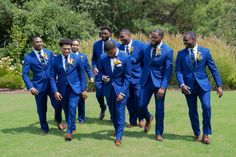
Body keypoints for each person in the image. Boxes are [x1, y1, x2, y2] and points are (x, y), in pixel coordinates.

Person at [175, 31, 223, 144]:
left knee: (207, 107)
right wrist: (182, 84)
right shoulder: (181, 54)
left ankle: (206, 134)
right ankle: (197, 133)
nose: (184, 42)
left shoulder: (205, 52)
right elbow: (178, 71)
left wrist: (219, 85)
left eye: (186, 40)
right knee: (192, 111)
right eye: (183, 40)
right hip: (188, 87)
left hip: (203, 86)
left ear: (194, 39)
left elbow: (213, 69)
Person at [133, 29, 173, 141]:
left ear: (161, 37)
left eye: (155, 37)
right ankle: (148, 117)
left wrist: (163, 87)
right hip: (145, 82)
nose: (152, 39)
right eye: (152, 37)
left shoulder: (168, 51)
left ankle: (159, 133)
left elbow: (168, 71)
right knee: (140, 105)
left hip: (159, 84)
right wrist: (122, 57)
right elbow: (137, 60)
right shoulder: (145, 47)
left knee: (159, 109)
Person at [22, 36, 66, 134]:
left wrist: (59, 75)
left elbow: (55, 66)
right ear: (33, 44)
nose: (40, 43)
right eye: (37, 42)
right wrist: (30, 87)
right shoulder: (28, 57)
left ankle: (58, 121)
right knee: (42, 109)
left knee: (58, 104)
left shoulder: (49, 53)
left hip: (52, 84)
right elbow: (24, 74)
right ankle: (44, 127)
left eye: (41, 41)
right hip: (38, 87)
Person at [50, 39, 87, 141]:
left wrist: (83, 89)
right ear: (61, 48)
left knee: (72, 107)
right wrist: (55, 91)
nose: (67, 51)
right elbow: (52, 76)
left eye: (69, 49)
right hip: (61, 89)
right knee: (66, 109)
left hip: (74, 89)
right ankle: (72, 126)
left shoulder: (77, 58)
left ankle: (69, 132)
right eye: (65, 49)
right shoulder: (55, 60)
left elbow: (82, 74)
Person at [99, 40, 131, 146]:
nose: (108, 55)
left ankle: (119, 137)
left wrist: (122, 92)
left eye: (110, 53)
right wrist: (103, 77)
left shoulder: (125, 57)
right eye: (107, 53)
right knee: (113, 113)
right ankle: (117, 130)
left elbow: (127, 77)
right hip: (108, 90)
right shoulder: (103, 57)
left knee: (120, 113)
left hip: (121, 90)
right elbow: (100, 72)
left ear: (114, 49)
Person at [91, 26, 120, 120]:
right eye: (101, 33)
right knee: (99, 94)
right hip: (99, 74)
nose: (103, 35)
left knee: (110, 95)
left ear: (110, 34)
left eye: (105, 33)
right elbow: (94, 59)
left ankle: (113, 114)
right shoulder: (96, 45)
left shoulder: (117, 44)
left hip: (112, 74)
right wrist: (94, 67)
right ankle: (103, 107)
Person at [118, 29, 145, 128]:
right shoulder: (119, 47)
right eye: (120, 37)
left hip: (137, 77)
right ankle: (132, 121)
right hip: (125, 79)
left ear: (129, 35)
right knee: (129, 100)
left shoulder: (140, 45)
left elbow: (142, 60)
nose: (121, 39)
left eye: (123, 36)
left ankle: (141, 118)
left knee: (138, 98)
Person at [71, 38, 93, 124]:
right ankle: (70, 119)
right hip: (70, 82)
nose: (75, 46)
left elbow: (87, 67)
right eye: (73, 44)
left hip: (80, 82)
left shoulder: (83, 56)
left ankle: (81, 118)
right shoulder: (67, 55)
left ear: (79, 46)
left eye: (76, 45)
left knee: (81, 101)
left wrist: (91, 76)